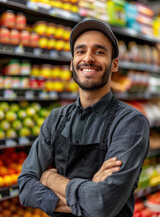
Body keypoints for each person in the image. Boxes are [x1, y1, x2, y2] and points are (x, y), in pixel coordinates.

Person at [18, 19, 150, 217]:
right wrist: (90, 192)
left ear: (114, 65)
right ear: (72, 63)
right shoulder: (56, 118)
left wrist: (50, 179)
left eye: (99, 52)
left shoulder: (130, 122)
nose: (88, 58)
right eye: (80, 51)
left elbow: (103, 204)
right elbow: (26, 187)